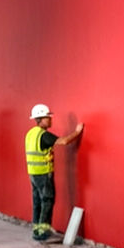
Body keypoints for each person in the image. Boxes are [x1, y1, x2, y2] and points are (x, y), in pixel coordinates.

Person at [24, 103, 83, 240]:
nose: (50, 119)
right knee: (47, 200)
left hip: (33, 173)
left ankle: (36, 229)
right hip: (43, 173)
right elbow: (64, 141)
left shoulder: (30, 134)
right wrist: (78, 132)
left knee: (37, 200)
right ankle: (43, 232)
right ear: (40, 118)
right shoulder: (43, 135)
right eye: (48, 117)